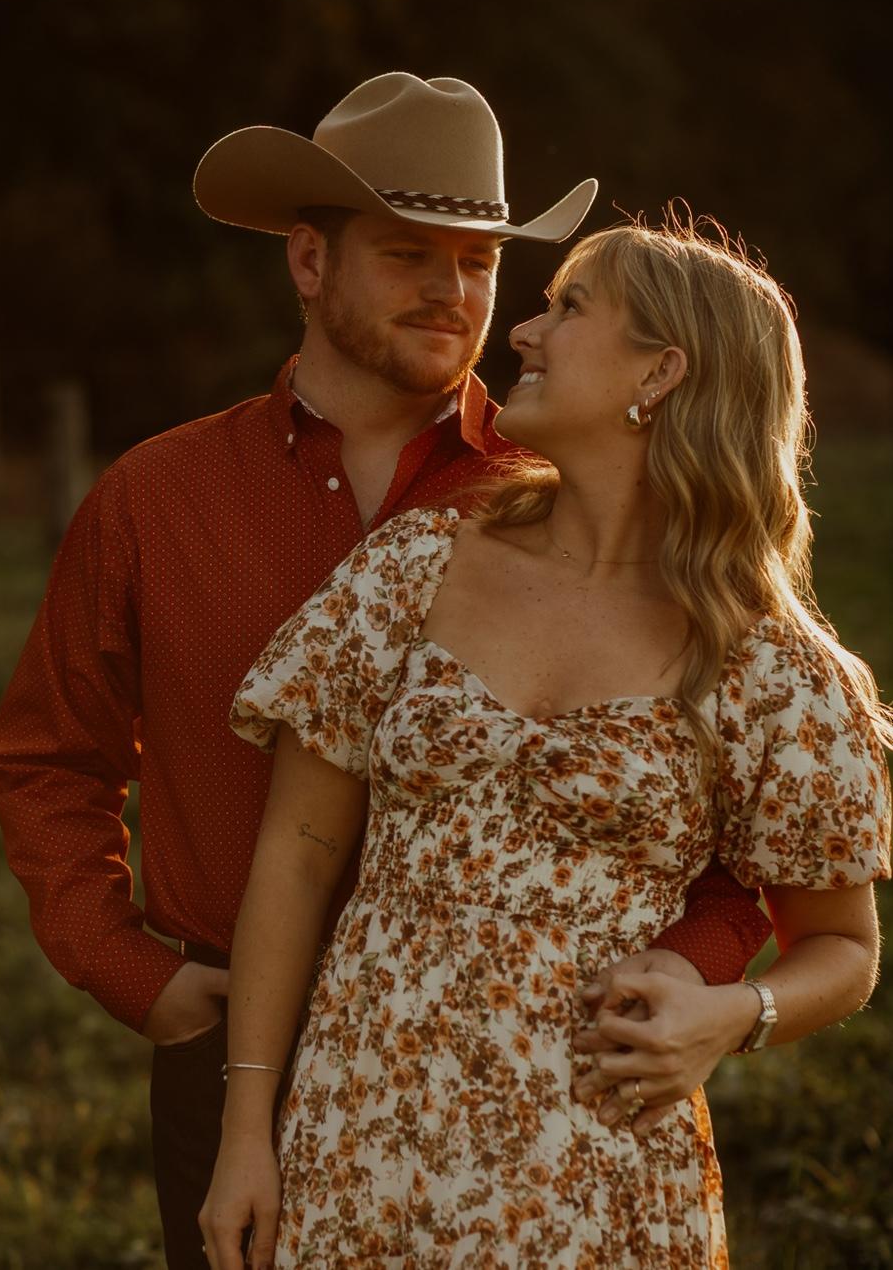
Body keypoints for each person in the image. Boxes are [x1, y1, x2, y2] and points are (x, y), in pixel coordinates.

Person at [0, 74, 773, 1268]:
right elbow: (50, 759)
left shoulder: (578, 497)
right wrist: (129, 968)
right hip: (234, 1035)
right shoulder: (157, 499)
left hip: (529, 1058)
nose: (453, 293)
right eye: (410, 255)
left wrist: (689, 983)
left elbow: (740, 816)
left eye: (478, 262)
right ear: (309, 262)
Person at [200, 213, 892, 1268]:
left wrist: (731, 1016)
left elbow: (844, 950)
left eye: (568, 308)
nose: (520, 331)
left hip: (594, 1173)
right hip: (362, 1137)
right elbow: (295, 860)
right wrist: (247, 1130)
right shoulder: (418, 565)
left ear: (660, 373)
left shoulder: (771, 666)